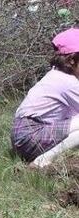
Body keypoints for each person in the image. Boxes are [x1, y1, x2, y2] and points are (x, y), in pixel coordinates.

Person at [12, 28, 79, 168]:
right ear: (72, 60)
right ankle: (43, 160)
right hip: (31, 135)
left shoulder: (55, 76)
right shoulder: (68, 82)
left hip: (24, 136)